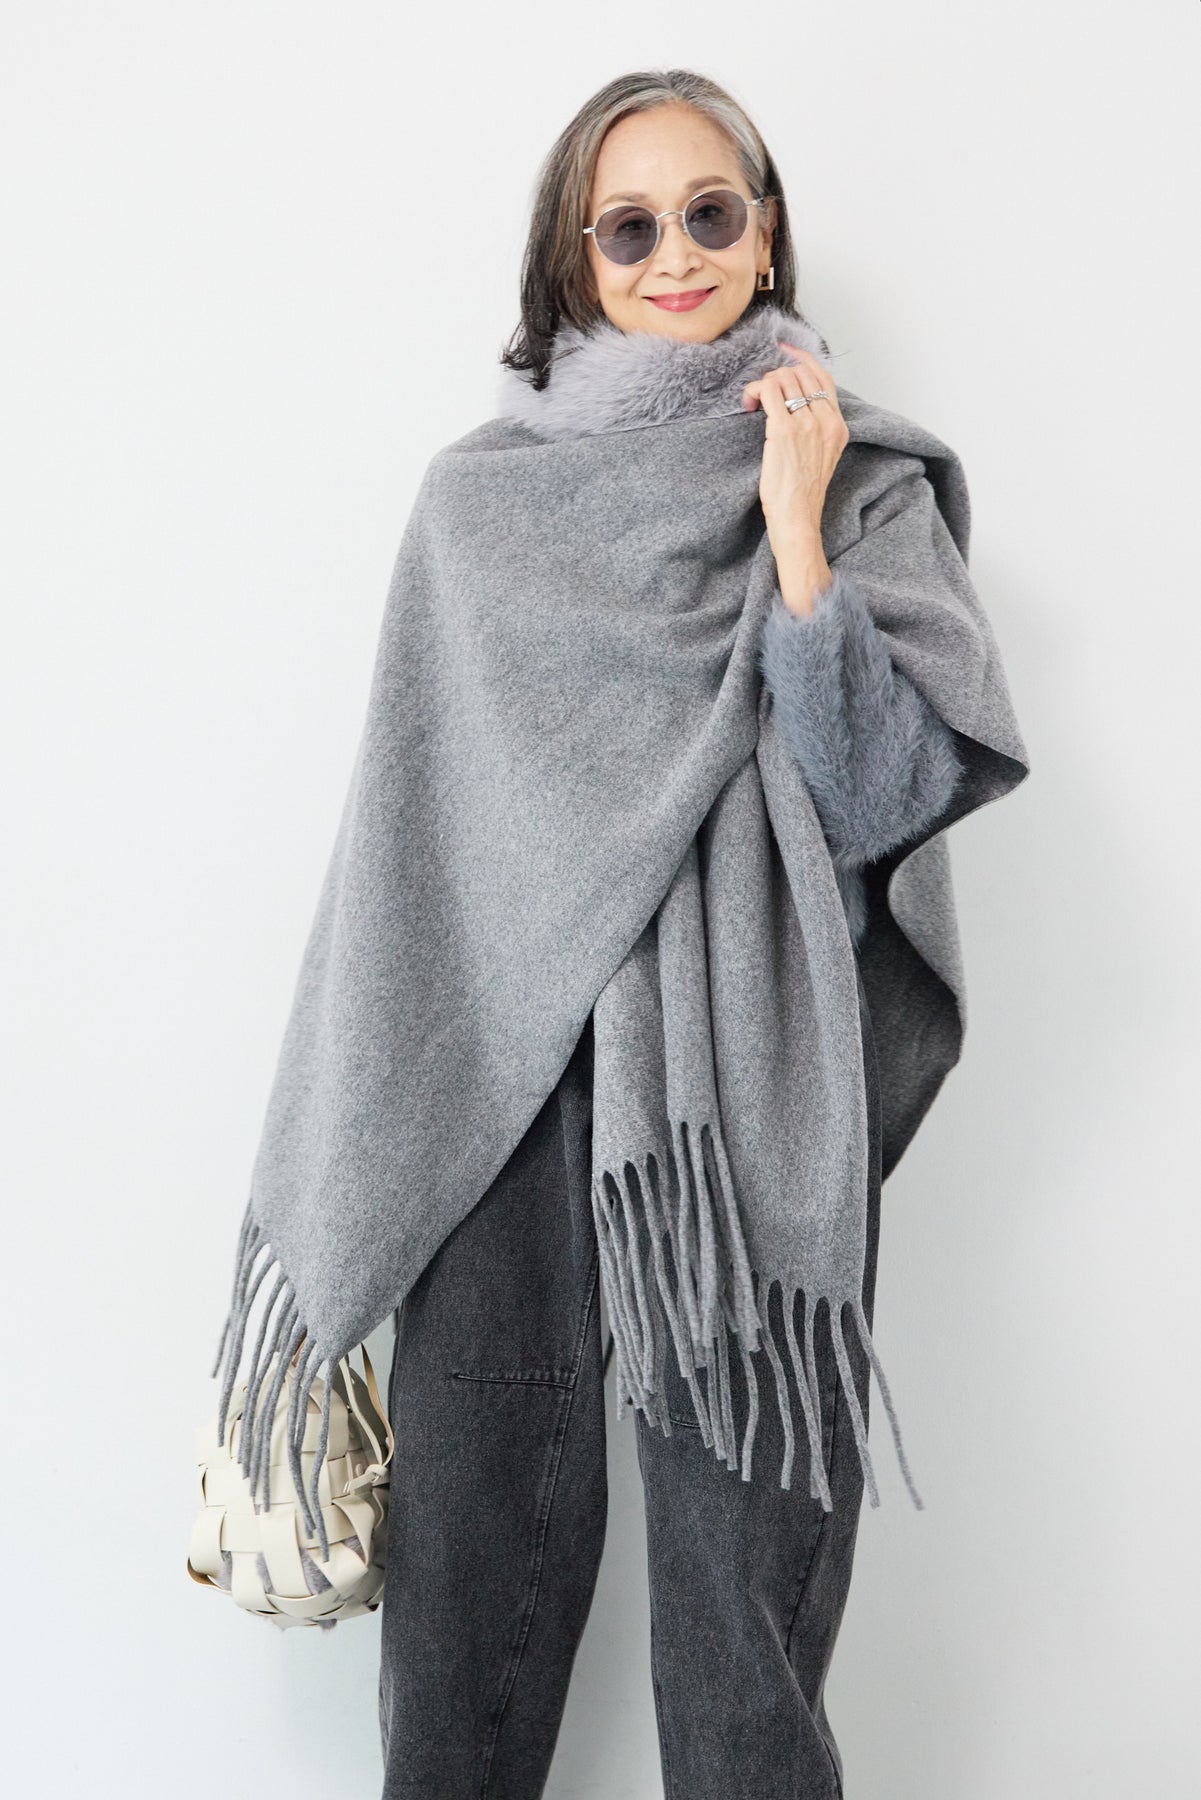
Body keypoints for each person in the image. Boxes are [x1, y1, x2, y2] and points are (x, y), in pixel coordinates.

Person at [364, 67, 1029, 1800]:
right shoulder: (480, 508)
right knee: (466, 1580)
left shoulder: (856, 478)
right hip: (510, 1083)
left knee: (742, 1616)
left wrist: (795, 539)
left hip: (742, 1094)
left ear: (765, 228)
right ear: (572, 259)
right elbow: (420, 848)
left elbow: (889, 798)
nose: (675, 254)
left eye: (708, 213)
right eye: (630, 226)